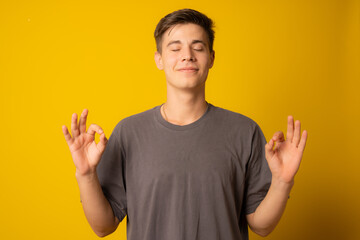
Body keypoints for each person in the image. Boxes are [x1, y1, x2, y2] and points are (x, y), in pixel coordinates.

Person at [62, 8, 307, 240]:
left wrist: (282, 181)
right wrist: (85, 174)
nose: (187, 56)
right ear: (159, 59)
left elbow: (261, 226)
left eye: (197, 47)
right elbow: (103, 226)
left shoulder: (245, 131)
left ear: (211, 58)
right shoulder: (129, 133)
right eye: (175, 48)